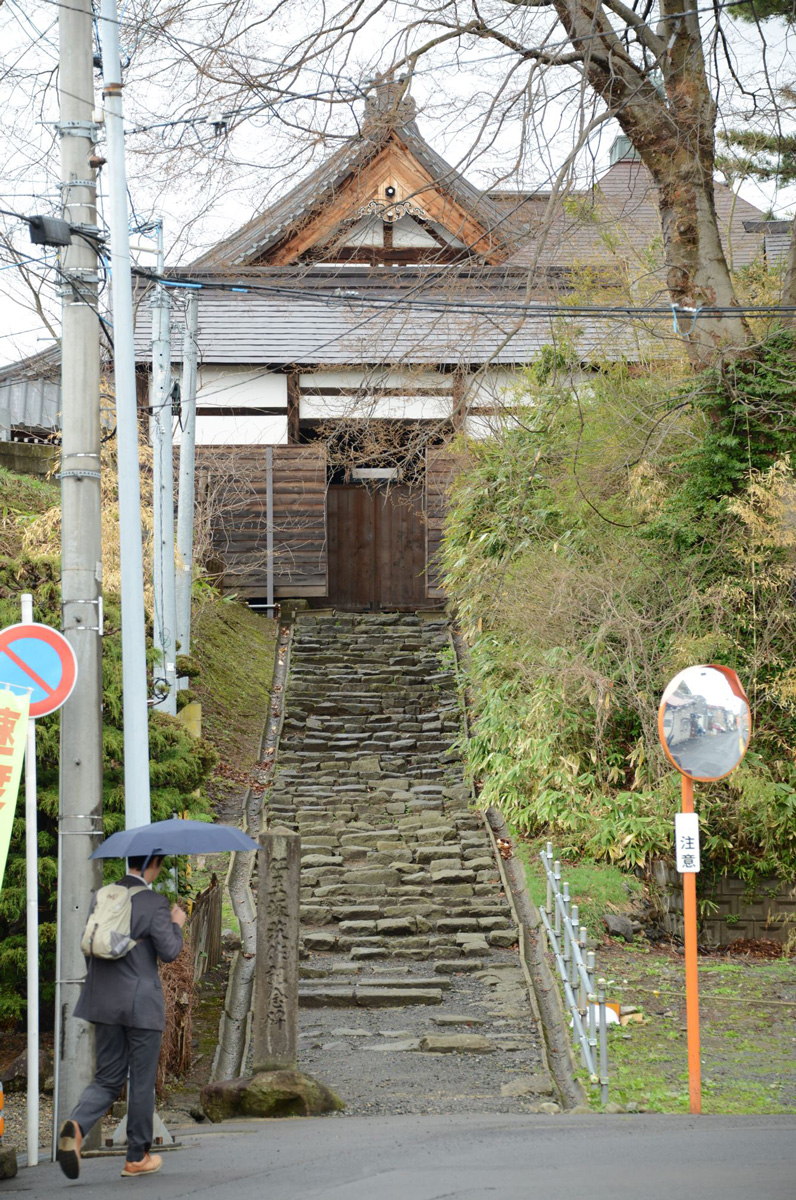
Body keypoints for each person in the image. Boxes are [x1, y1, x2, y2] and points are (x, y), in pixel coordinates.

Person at [56, 854, 186, 1181]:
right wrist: (176, 923)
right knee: (141, 1080)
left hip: (102, 1000)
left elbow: (93, 945)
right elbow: (169, 951)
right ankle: (137, 1157)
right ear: (153, 863)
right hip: (141, 1004)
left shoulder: (103, 897)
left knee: (107, 1078)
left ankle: (77, 1125)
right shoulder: (154, 902)